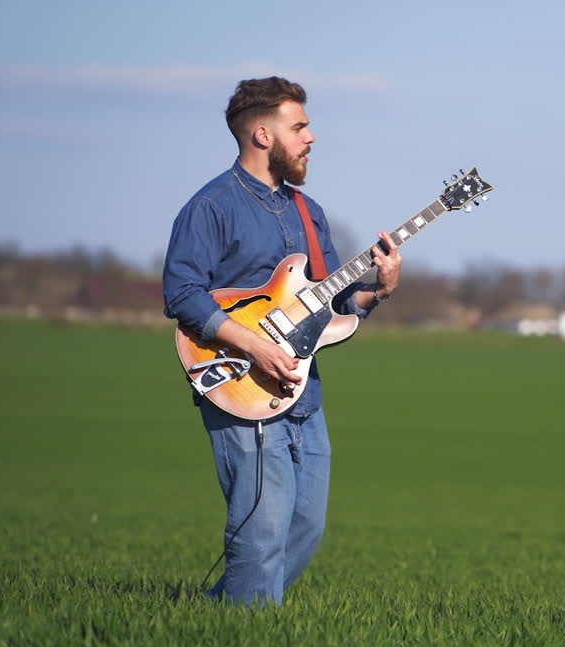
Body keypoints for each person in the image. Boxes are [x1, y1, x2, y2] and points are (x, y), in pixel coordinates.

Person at [163, 77, 402, 606]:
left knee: (304, 527)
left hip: (303, 391)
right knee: (262, 528)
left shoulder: (308, 213)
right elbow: (181, 293)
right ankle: (243, 640)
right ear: (263, 135)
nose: (311, 138)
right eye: (300, 127)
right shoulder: (211, 206)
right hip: (241, 384)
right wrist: (254, 345)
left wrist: (378, 292)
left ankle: (221, 613)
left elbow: (331, 310)